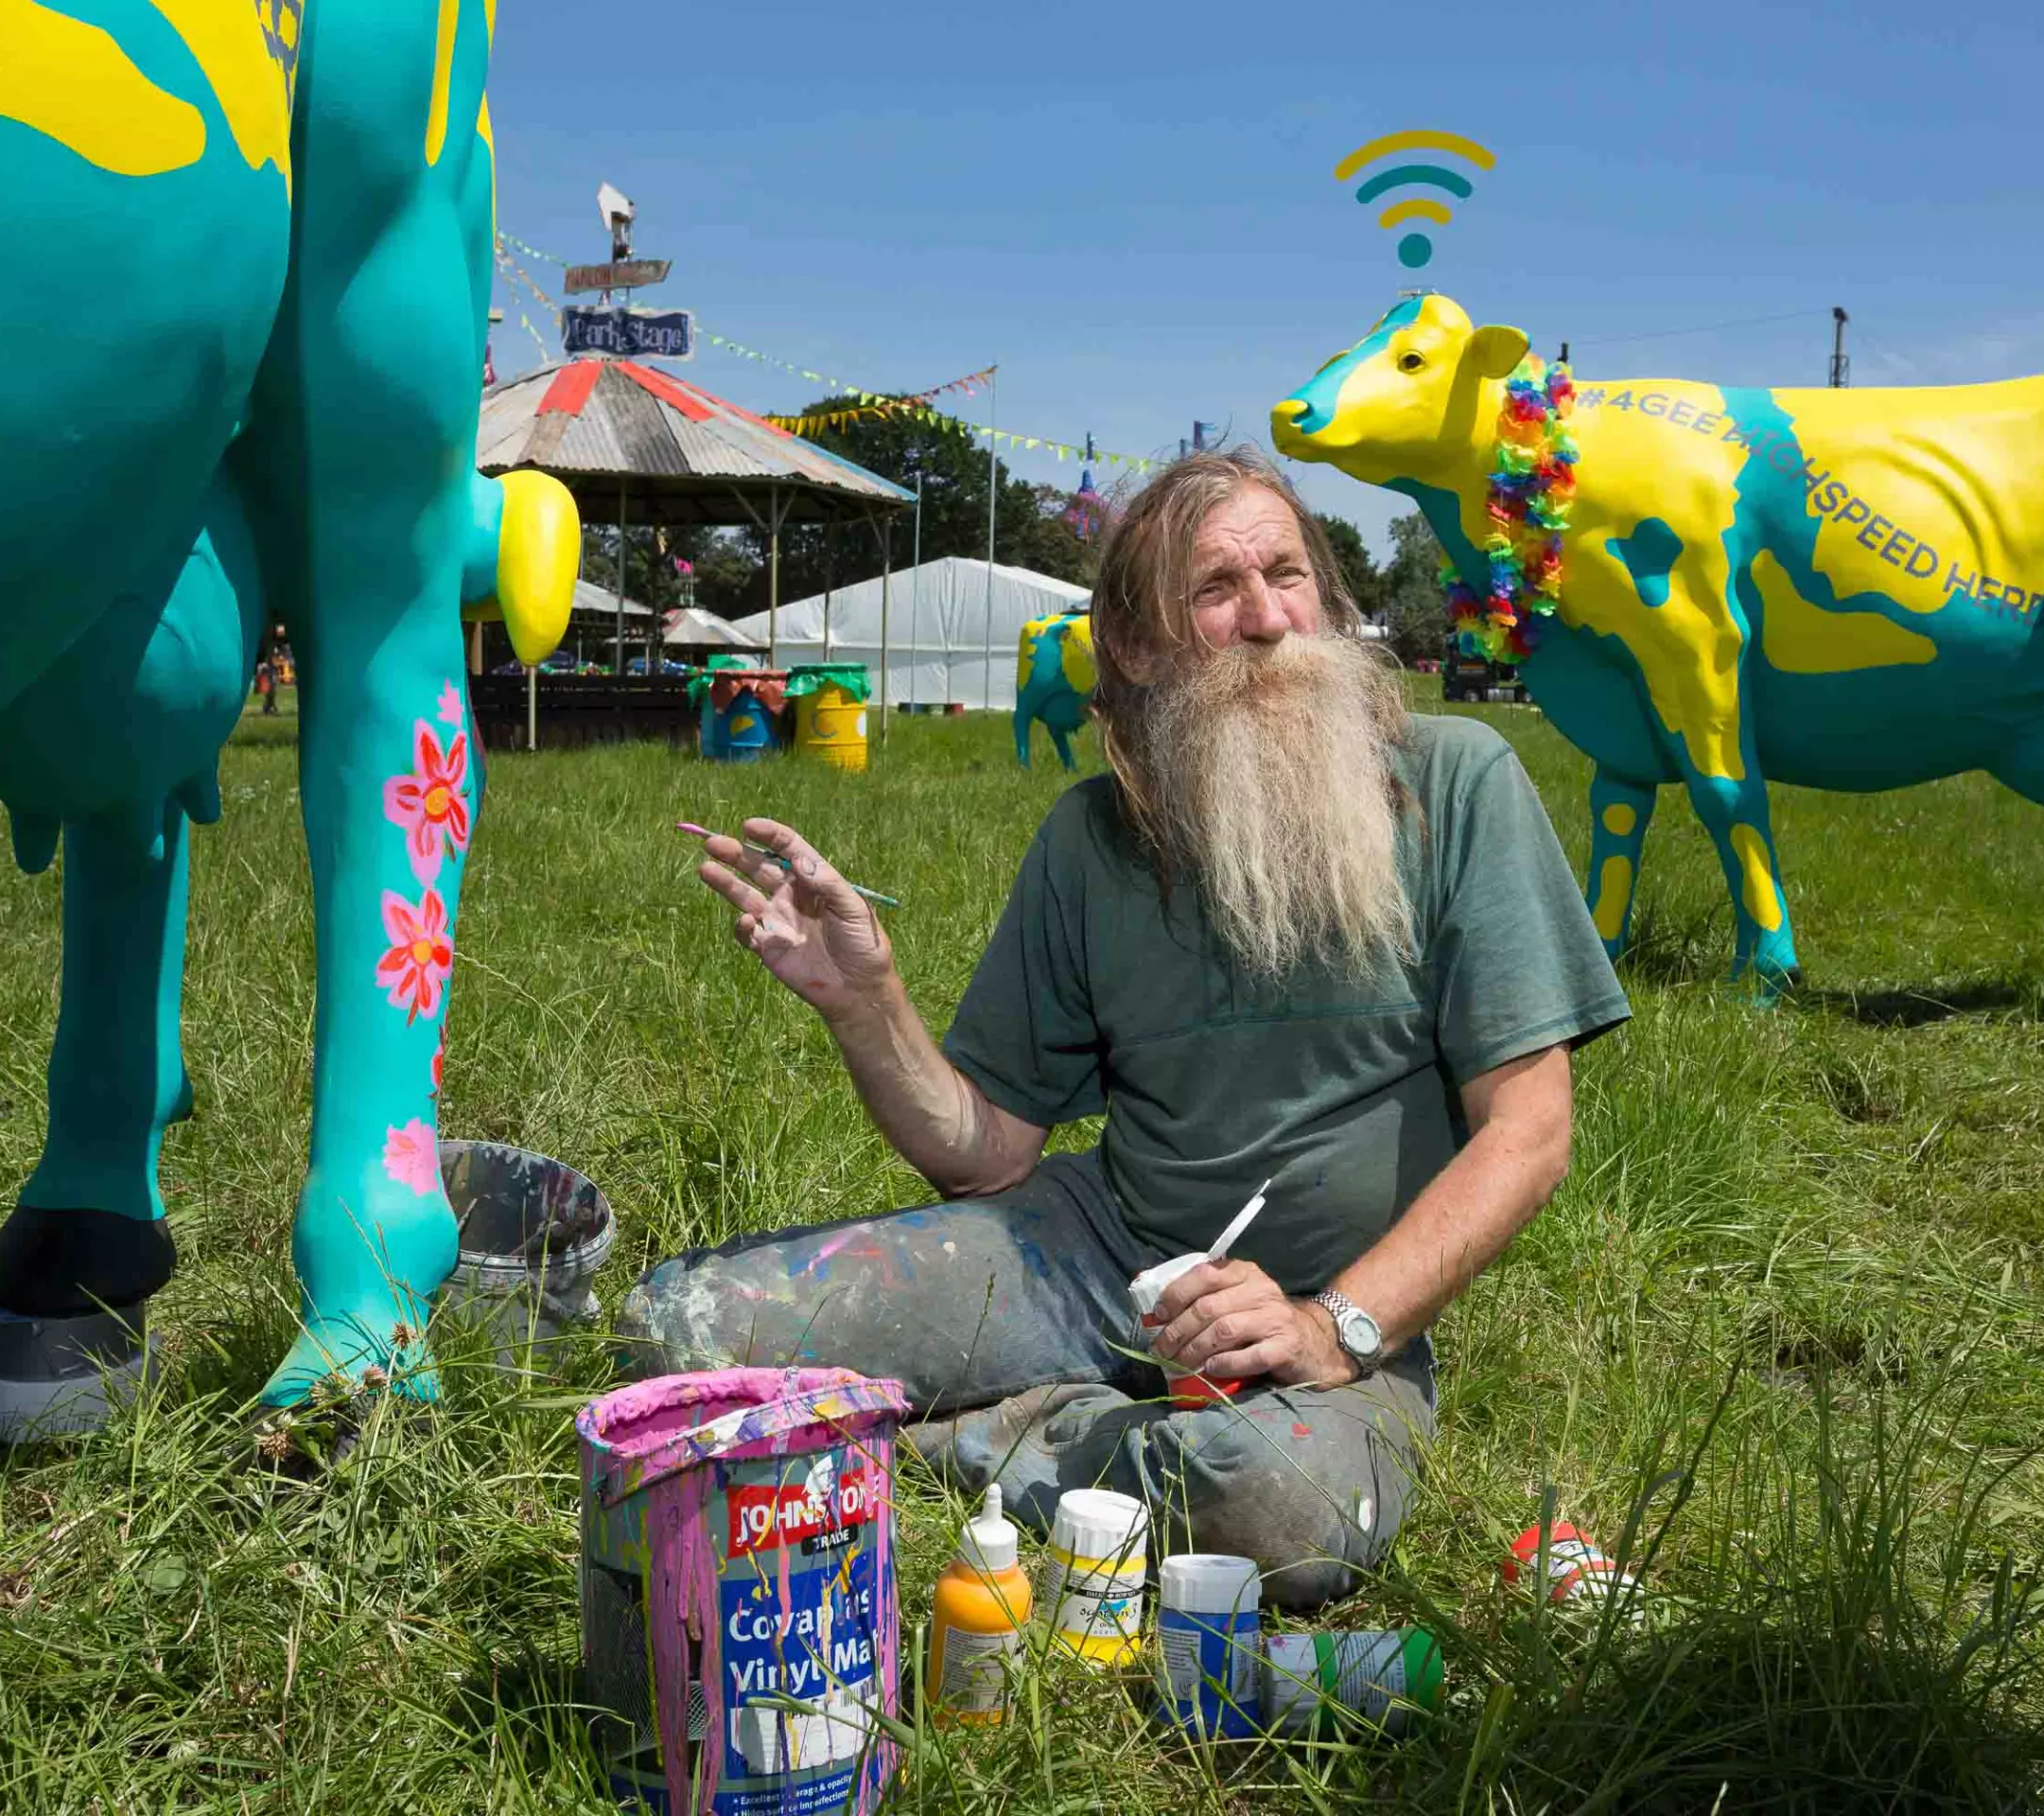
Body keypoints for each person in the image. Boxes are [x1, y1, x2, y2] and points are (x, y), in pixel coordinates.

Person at [620, 449, 1629, 1607]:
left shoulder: (1457, 783)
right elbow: (988, 1153)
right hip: (1104, 1253)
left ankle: (968, 1435)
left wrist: (1329, 1327)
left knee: (1268, 1514)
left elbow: (1528, 1134)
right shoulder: (1093, 837)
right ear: (1139, 648)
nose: (1267, 620)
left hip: (1341, 1322)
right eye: (1216, 589)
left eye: (1288, 576)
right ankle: (1046, 1417)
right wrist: (866, 1000)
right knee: (682, 1331)